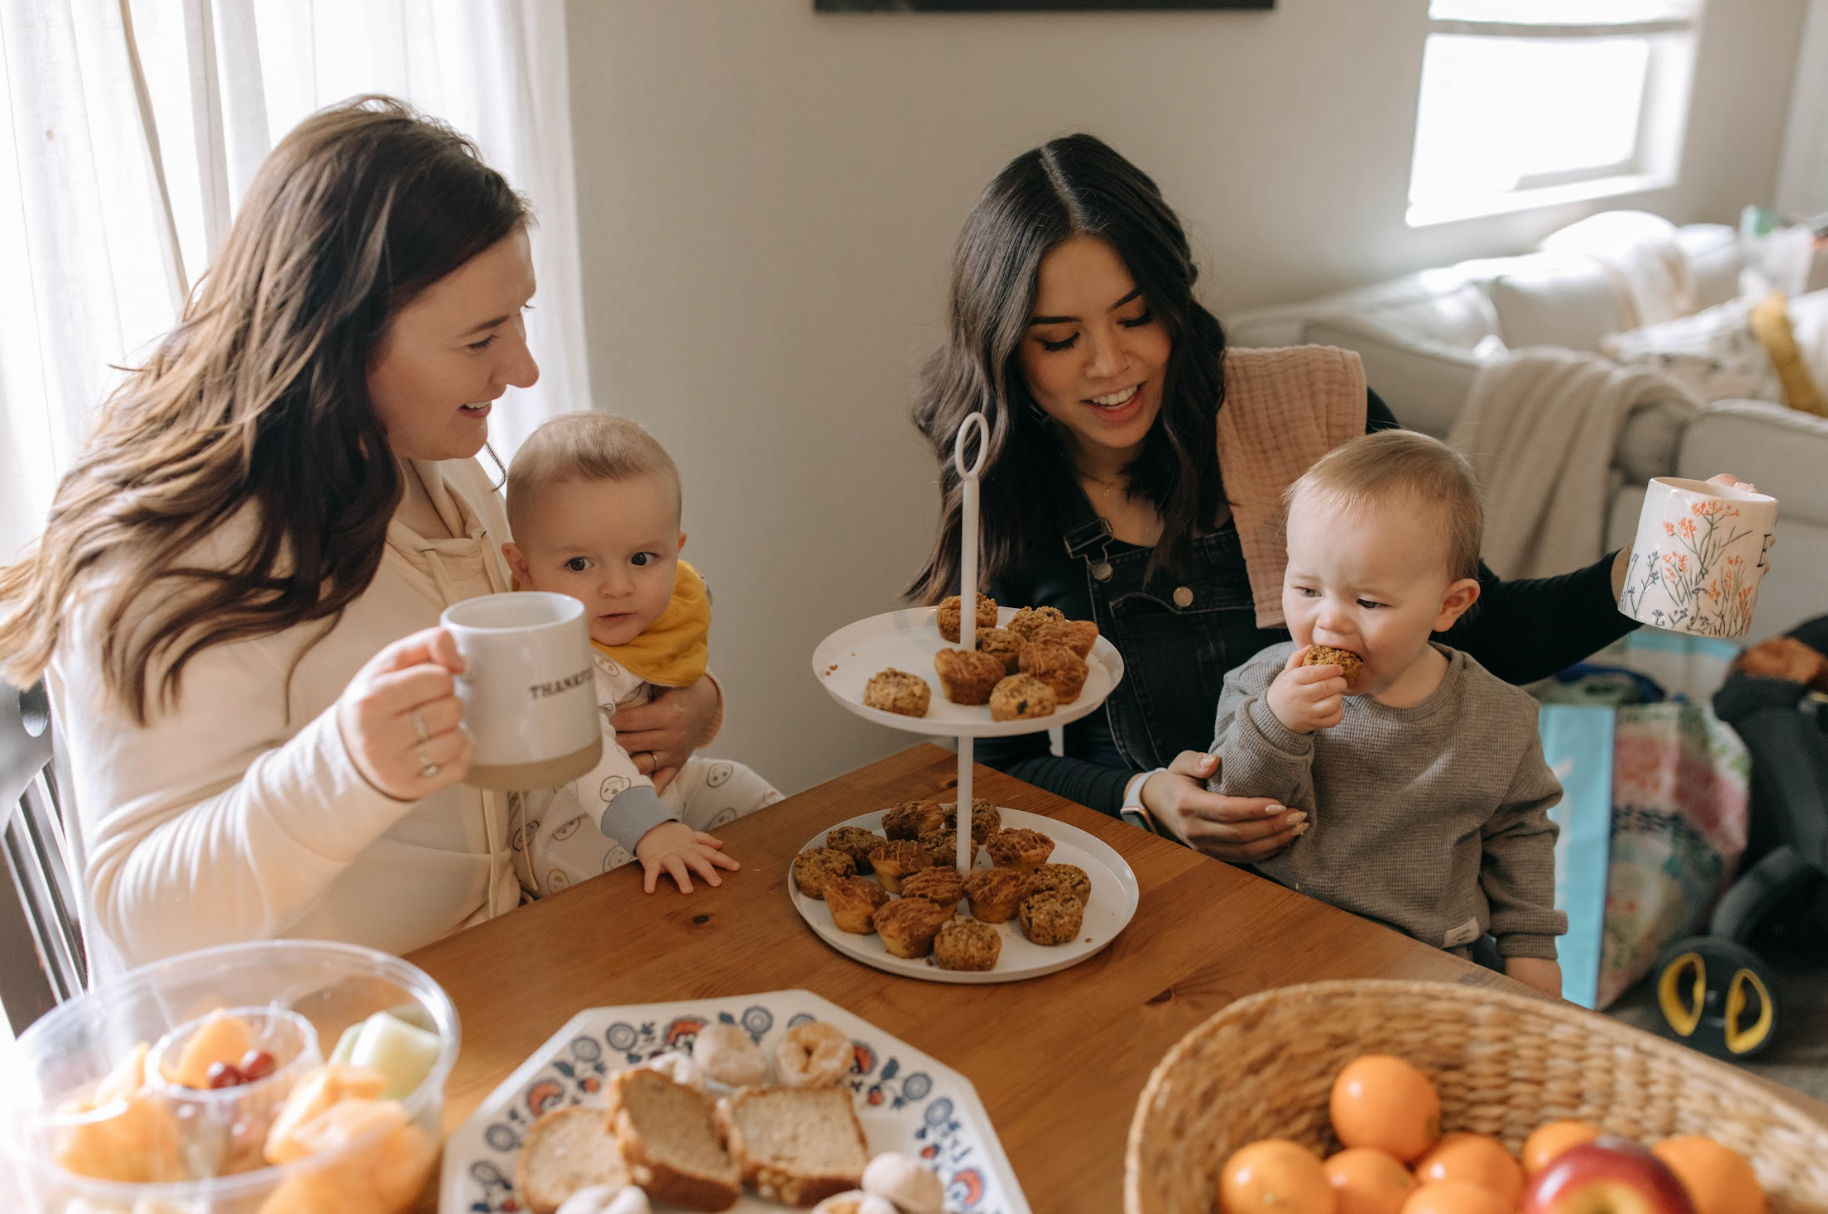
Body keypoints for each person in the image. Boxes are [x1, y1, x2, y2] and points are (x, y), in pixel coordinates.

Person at [0, 98, 725, 972]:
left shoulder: (431, 455)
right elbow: (139, 919)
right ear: (337, 336)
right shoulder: (166, 555)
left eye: (520, 317)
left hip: (510, 960)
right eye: (481, 338)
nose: (524, 369)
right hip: (318, 1050)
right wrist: (342, 770)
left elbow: (541, 700)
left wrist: (685, 708)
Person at [909, 133, 1743, 867]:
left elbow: (1485, 633)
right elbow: (998, 760)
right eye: (1059, 340)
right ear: (1005, 347)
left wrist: (1670, 560)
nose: (1109, 365)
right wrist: (1144, 796)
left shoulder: (1315, 412)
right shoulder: (1002, 478)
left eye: (1137, 318)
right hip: (1150, 875)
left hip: (1365, 879)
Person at [1209, 430, 1565, 996]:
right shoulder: (1263, 686)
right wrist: (1279, 723)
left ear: (1449, 605)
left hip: (1427, 958)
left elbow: (1521, 835)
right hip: (1272, 930)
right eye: (1306, 589)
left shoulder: (1500, 719)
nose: (1329, 623)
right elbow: (1228, 810)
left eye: (1368, 602)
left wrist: (1532, 952)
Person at [500, 413, 781, 897]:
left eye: (642, 559)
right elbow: (590, 759)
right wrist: (651, 830)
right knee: (640, 884)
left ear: (676, 551)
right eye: (579, 564)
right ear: (523, 568)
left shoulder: (659, 612)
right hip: (567, 830)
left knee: (747, 791)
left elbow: (680, 665)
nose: (617, 587)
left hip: (663, 790)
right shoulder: (548, 654)